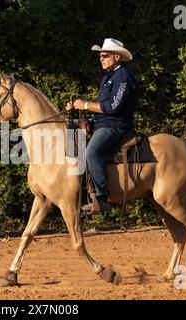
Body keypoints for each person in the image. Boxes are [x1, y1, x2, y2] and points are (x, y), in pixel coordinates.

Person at [66, 38, 139, 215]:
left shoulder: (123, 78)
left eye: (104, 55)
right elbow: (100, 104)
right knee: (70, 138)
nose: (101, 58)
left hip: (116, 125)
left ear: (117, 56)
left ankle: (101, 198)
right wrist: (79, 108)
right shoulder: (109, 76)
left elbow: (113, 107)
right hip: (102, 123)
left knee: (92, 151)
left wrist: (84, 105)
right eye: (100, 55)